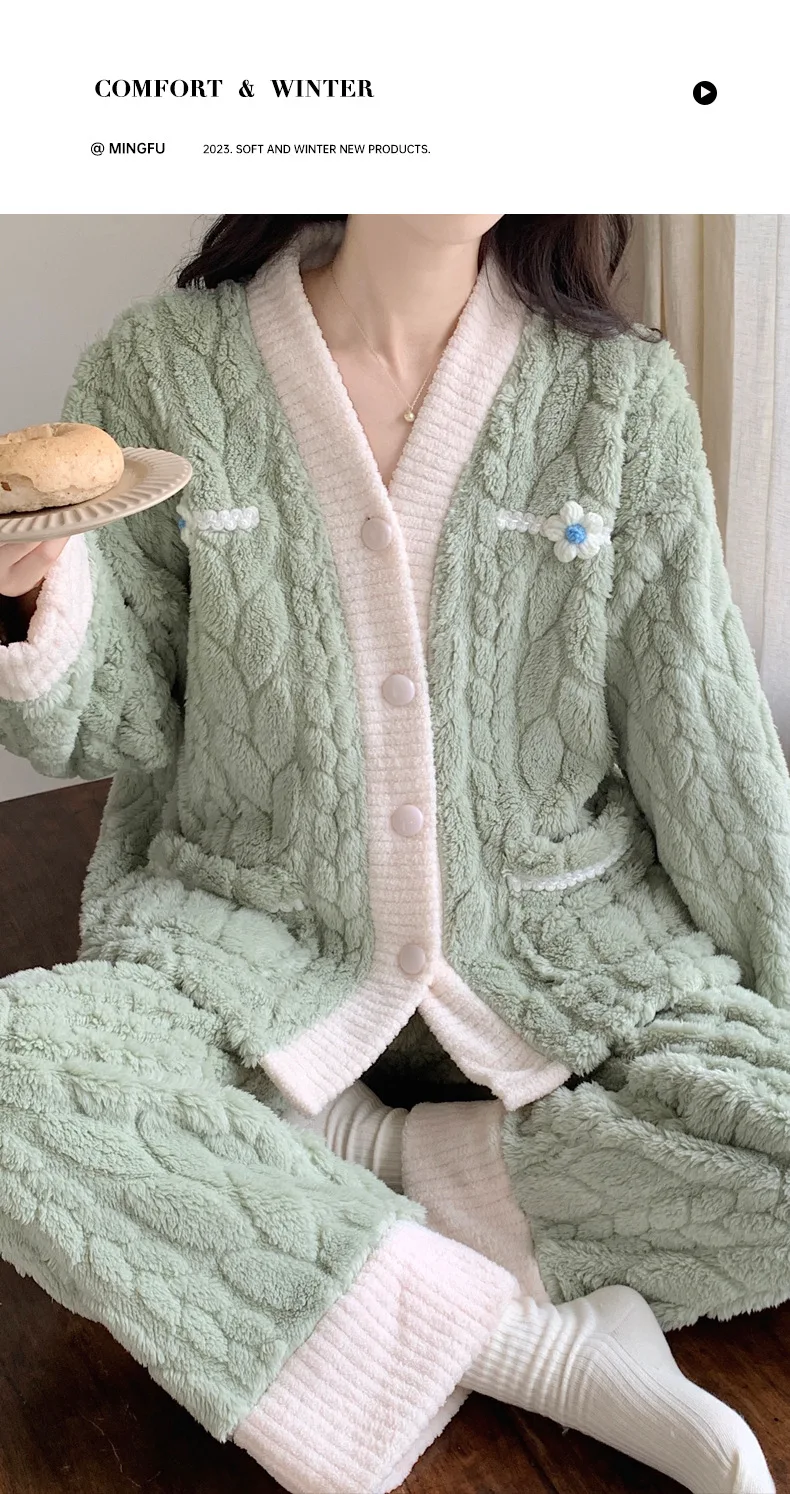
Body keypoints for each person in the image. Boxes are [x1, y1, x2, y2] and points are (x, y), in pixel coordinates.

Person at [0, 212, 785, 1494]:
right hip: (243, 946)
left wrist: (777, 989)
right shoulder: (163, 366)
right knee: (14, 1077)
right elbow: (121, 721)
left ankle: (347, 1163)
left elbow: (701, 730)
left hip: (565, 952)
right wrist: (35, 592)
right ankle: (544, 1350)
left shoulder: (619, 392)